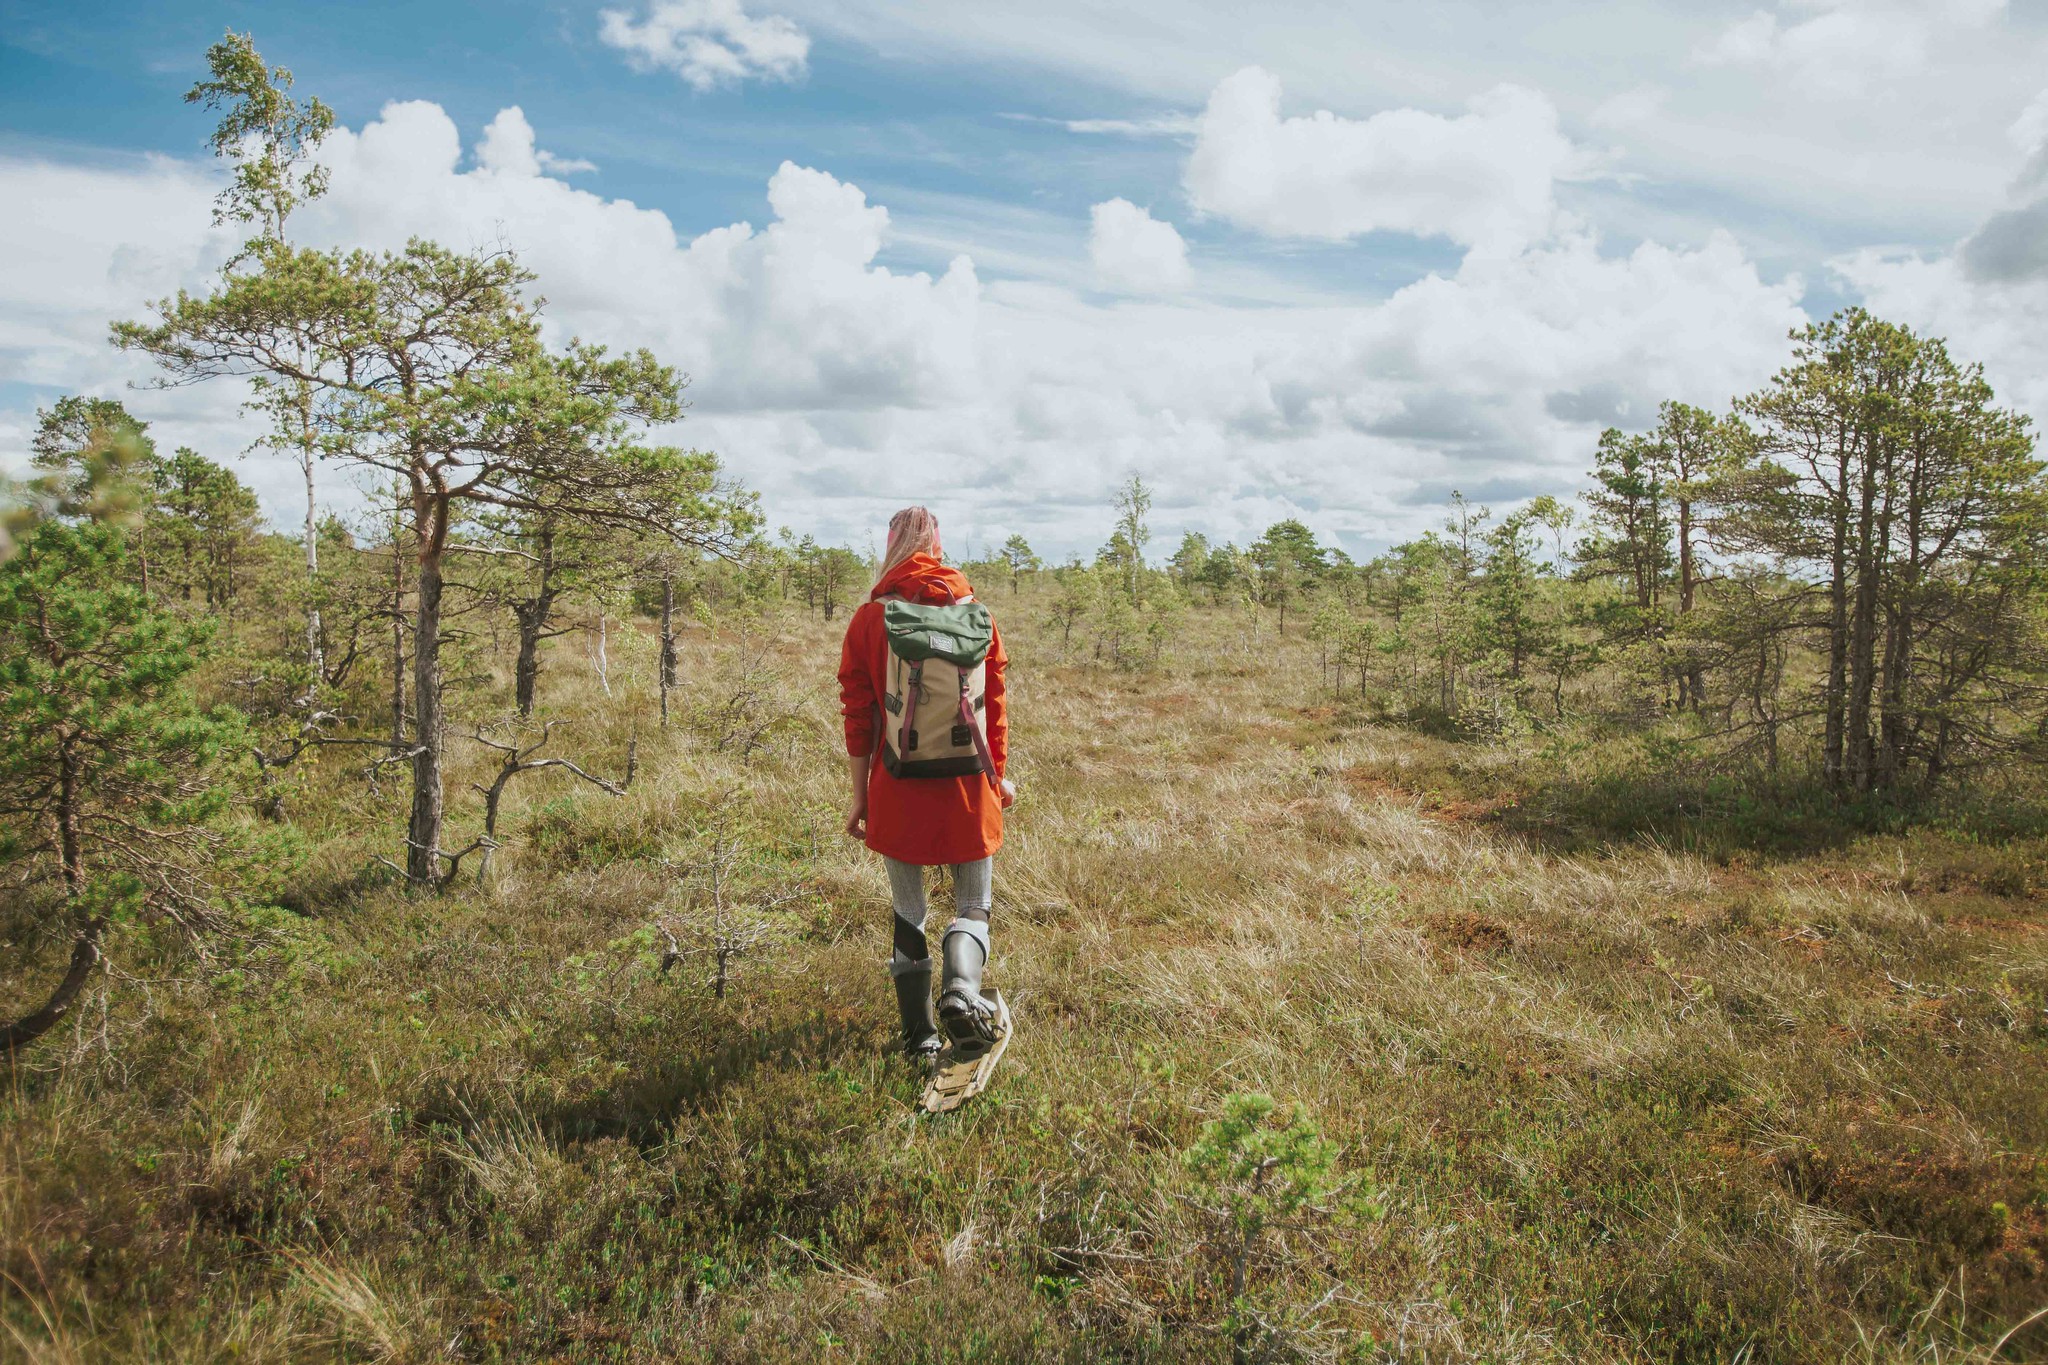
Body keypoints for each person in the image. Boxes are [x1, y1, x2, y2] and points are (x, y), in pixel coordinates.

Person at [838, 506, 1013, 1063]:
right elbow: (996, 707)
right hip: (969, 783)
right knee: (974, 903)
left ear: (891, 545)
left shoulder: (871, 619)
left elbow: (858, 714)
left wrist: (861, 797)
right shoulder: (977, 612)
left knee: (908, 909)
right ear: (937, 545)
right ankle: (962, 992)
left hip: (898, 782)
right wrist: (998, 778)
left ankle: (920, 1039)